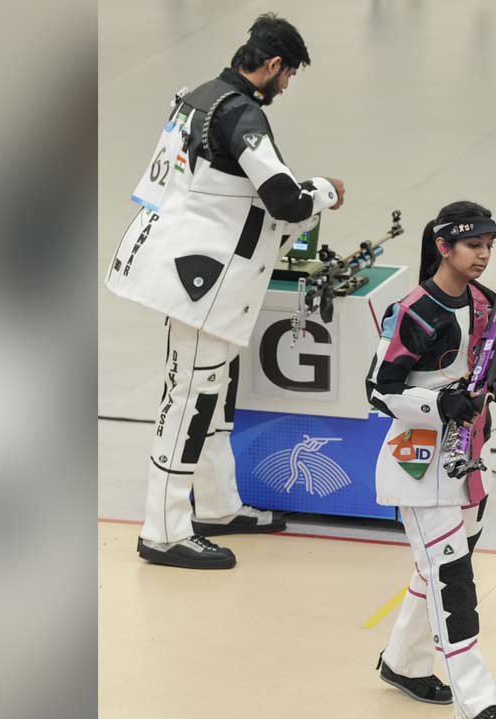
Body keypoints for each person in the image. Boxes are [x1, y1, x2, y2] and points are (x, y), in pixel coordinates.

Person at [105, 13, 347, 569]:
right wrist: (325, 193)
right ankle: (163, 530)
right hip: (205, 282)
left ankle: (215, 506)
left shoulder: (198, 96)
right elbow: (285, 198)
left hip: (191, 272)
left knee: (210, 396)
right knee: (188, 401)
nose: (285, 88)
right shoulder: (242, 114)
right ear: (273, 65)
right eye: (287, 77)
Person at [367, 201, 496, 719]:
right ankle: (476, 705)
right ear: (444, 247)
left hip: (470, 459)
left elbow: (493, 366)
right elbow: (379, 390)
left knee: (434, 570)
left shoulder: (486, 301)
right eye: (472, 245)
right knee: (452, 580)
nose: (483, 255)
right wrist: (440, 405)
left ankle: (404, 664)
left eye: (488, 246)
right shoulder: (412, 312)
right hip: (419, 461)